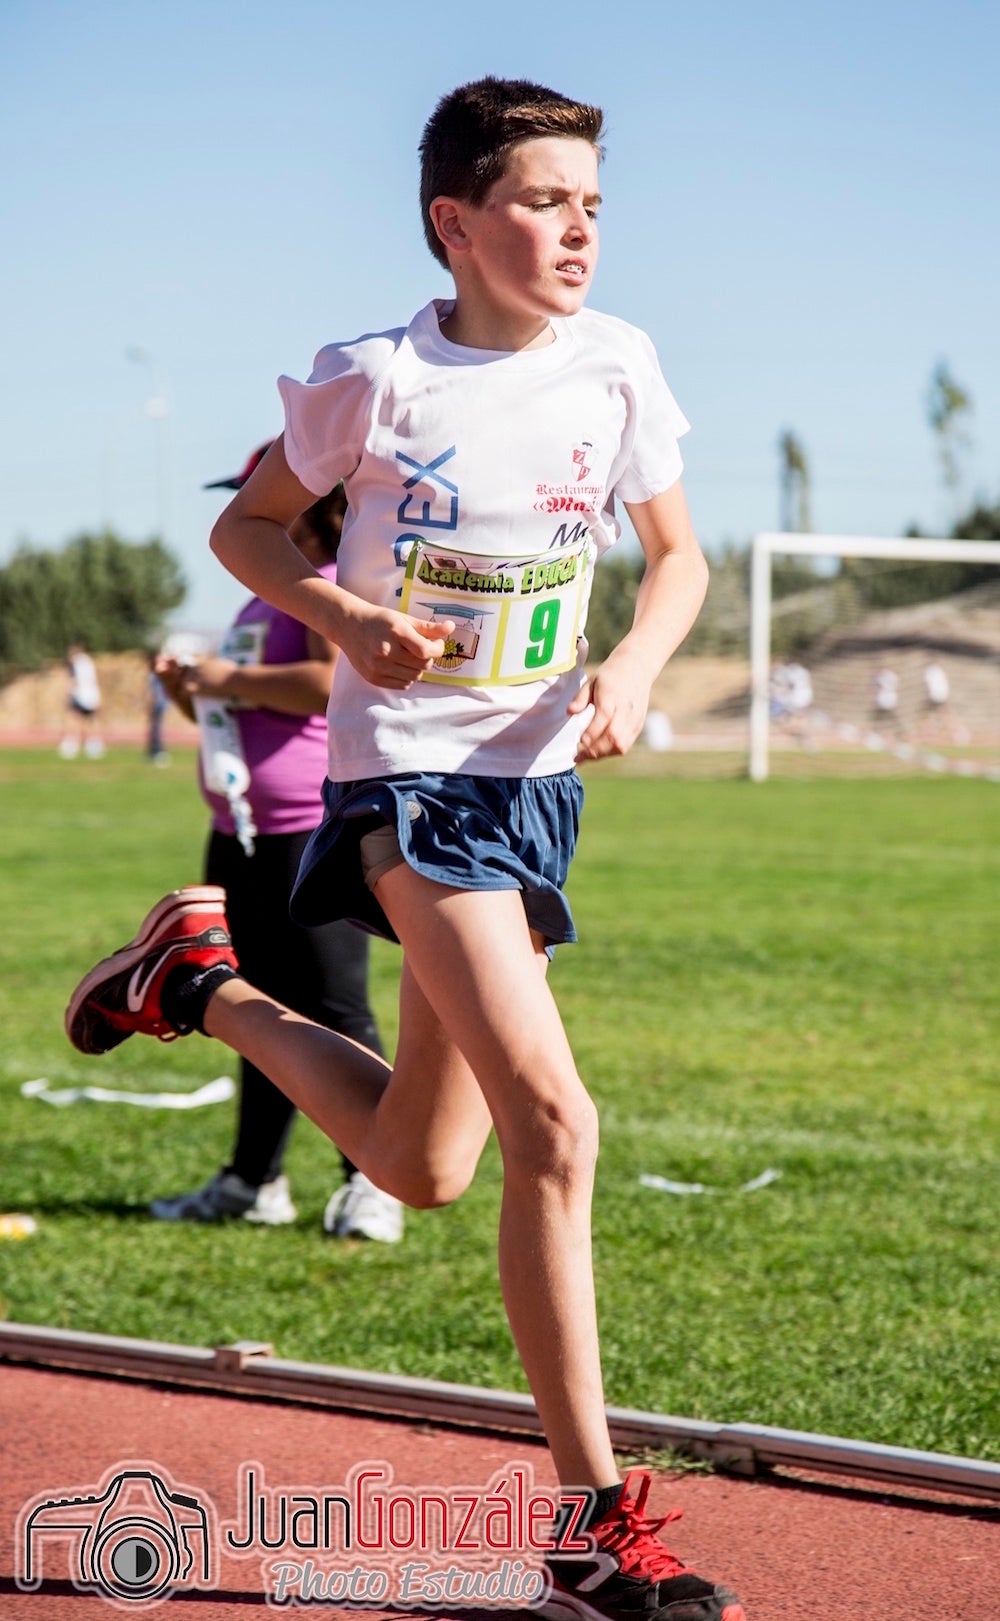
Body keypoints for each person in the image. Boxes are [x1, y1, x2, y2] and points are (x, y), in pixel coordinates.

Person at [65, 78, 744, 1621]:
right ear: (457, 221)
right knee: (555, 1127)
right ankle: (591, 1526)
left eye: (593, 204)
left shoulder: (619, 364)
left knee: (426, 1164)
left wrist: (629, 673)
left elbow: (683, 557)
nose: (579, 230)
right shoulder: (373, 380)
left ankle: (204, 985)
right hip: (410, 783)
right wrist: (352, 615)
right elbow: (249, 533)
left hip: (531, 784)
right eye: (544, 201)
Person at [147, 445, 402, 1242]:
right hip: (240, 829)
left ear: (313, 501)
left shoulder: (331, 590)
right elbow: (239, 710)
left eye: (262, 495)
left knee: (334, 1007)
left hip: (307, 830)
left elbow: (327, 682)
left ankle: (378, 1181)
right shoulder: (261, 603)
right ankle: (254, 1179)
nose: (250, 509)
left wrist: (223, 679)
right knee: (254, 1006)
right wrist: (188, 692)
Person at [60, 643, 105, 758]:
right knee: (90, 720)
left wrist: (68, 694)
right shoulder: (88, 662)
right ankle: (94, 744)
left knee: (74, 718)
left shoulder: (76, 663)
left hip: (79, 694)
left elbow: (74, 680)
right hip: (92, 695)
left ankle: (71, 744)